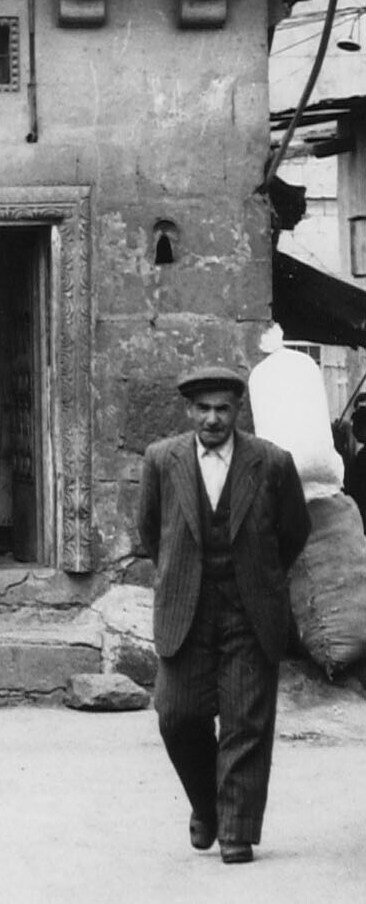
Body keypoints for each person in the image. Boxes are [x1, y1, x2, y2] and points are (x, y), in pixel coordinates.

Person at [136, 362, 312, 865]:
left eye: (223, 409)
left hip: (250, 608)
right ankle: (207, 805)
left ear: (238, 410)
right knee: (176, 715)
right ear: (188, 410)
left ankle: (237, 831)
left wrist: (259, 575)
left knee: (245, 721)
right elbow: (151, 529)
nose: (212, 419)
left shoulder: (272, 463)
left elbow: (294, 530)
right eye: (203, 409)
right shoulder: (161, 460)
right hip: (186, 607)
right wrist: (182, 574)